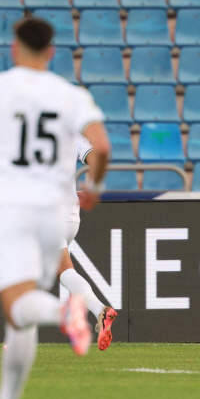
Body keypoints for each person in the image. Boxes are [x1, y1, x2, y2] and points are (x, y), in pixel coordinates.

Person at [0, 17, 110, 399]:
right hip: (54, 210)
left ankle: (67, 312)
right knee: (19, 316)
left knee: (17, 307)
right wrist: (92, 187)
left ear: (14, 48)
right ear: (52, 51)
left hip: (9, 207)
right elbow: (103, 147)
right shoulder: (72, 95)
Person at [58, 136, 117, 351]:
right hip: (71, 218)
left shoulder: (28, 129)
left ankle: (98, 309)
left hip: (46, 216)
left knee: (58, 273)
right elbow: (97, 158)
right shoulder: (72, 132)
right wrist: (91, 188)